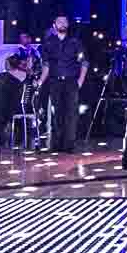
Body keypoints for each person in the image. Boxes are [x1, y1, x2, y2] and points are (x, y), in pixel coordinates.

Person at [39, 16, 89, 152]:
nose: (62, 24)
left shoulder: (75, 42)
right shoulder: (49, 43)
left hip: (71, 81)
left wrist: (80, 81)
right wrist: (41, 81)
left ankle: (69, 145)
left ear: (68, 24)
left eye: (64, 22)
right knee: (57, 113)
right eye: (59, 22)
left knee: (71, 113)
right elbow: (46, 65)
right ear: (54, 25)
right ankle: (56, 144)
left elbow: (84, 62)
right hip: (55, 81)